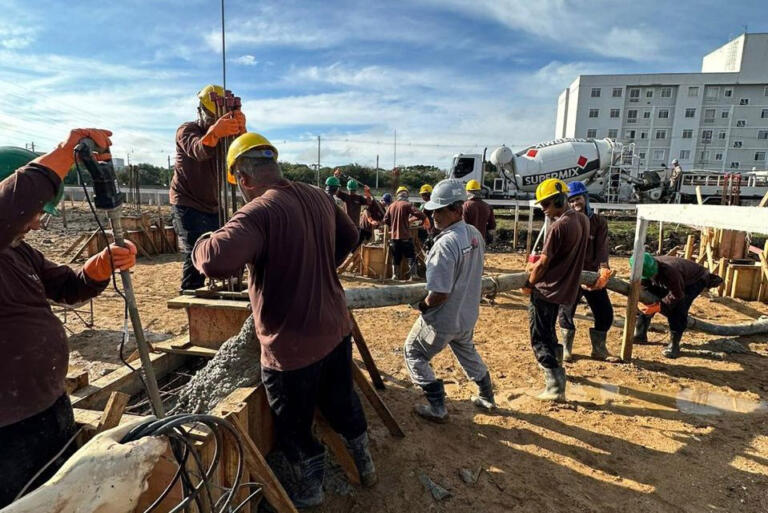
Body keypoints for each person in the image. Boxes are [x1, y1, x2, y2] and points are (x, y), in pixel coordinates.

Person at [192, 133, 375, 507]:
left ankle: (312, 486)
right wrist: (321, 265)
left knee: (292, 423)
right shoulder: (318, 195)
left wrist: (199, 242)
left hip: (291, 348)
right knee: (342, 399)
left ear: (243, 178)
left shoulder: (259, 211)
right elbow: (351, 235)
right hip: (336, 328)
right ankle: (365, 462)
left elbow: (213, 260)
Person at [0, 129, 138, 507]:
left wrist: (97, 269)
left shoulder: (19, 254)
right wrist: (64, 153)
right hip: (8, 433)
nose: (36, 223)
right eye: (32, 213)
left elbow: (65, 286)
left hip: (49, 407)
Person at [404, 179, 494, 423]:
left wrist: (421, 306)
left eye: (439, 210)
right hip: (466, 314)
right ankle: (486, 395)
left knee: (413, 353)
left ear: (456, 209)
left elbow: (439, 293)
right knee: (466, 350)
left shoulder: (445, 244)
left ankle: (437, 406)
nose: (433, 215)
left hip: (443, 318)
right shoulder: (474, 234)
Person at [170, 84, 246, 291]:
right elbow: (198, 150)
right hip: (187, 203)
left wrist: (241, 132)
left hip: (213, 205)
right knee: (197, 253)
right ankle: (191, 299)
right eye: (212, 118)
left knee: (224, 249)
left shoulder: (225, 138)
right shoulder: (187, 130)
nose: (216, 122)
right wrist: (215, 132)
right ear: (201, 112)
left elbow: (240, 159)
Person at [523, 178, 589, 402]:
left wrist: (529, 282)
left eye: (546, 205)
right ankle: (558, 380)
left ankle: (554, 387)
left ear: (559, 200)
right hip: (563, 289)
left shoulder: (559, 225)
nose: (544, 210)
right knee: (550, 334)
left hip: (546, 289)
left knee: (540, 338)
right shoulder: (582, 219)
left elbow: (543, 262)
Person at [557, 182, 617, 362]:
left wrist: (604, 267)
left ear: (586, 198)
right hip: (571, 275)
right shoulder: (565, 222)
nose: (576, 203)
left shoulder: (598, 222)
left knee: (605, 313)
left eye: (578, 198)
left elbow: (601, 248)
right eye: (572, 200)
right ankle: (566, 349)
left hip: (592, 274)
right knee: (566, 312)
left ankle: (599, 349)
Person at [631, 253, 722, 359]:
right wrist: (644, 301)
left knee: (678, 308)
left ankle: (674, 345)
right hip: (674, 278)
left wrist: (659, 306)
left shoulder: (670, 272)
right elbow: (643, 287)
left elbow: (677, 294)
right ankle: (640, 334)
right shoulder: (640, 269)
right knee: (648, 300)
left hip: (694, 280)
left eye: (653, 274)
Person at [383, 186, 426, 280]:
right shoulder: (407, 205)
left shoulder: (391, 205)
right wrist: (424, 219)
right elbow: (420, 214)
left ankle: (395, 275)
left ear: (397, 195)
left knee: (396, 257)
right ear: (406, 195)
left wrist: (394, 224)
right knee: (411, 255)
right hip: (405, 236)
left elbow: (385, 220)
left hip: (394, 237)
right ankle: (413, 275)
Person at [462, 180, 496, 244]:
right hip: (481, 241)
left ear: (468, 191)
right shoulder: (487, 206)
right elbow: (492, 225)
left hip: (467, 241)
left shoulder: (465, 206)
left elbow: (462, 225)